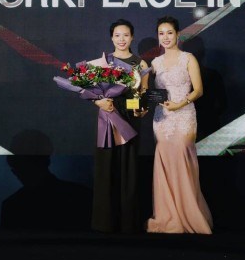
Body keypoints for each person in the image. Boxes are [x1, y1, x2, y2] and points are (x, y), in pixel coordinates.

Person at [146, 16, 213, 234]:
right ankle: (168, 216)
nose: (165, 37)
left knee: (183, 160)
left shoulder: (188, 58)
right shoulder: (155, 63)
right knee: (165, 161)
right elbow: (146, 91)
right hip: (162, 119)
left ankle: (189, 215)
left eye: (169, 33)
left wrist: (179, 104)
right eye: (161, 33)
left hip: (184, 115)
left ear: (178, 35)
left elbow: (198, 90)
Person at [91, 18, 149, 233]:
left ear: (132, 37)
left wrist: (142, 108)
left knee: (129, 167)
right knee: (107, 166)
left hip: (130, 117)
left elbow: (143, 92)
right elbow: (93, 91)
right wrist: (98, 102)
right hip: (108, 114)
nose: (121, 39)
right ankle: (104, 222)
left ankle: (128, 223)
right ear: (111, 38)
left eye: (126, 35)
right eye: (117, 35)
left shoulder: (140, 64)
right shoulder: (103, 62)